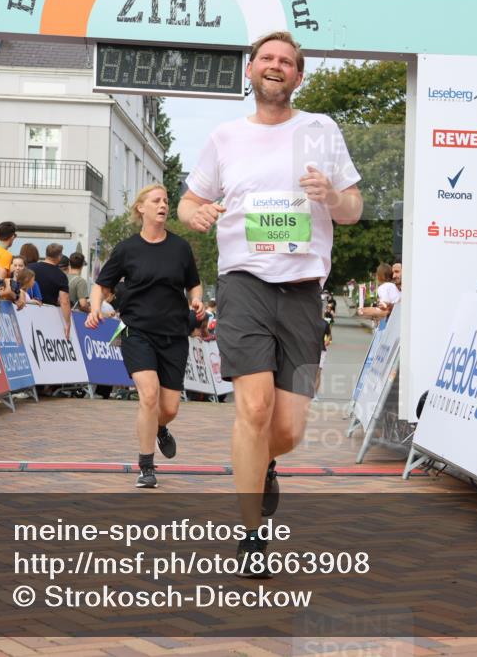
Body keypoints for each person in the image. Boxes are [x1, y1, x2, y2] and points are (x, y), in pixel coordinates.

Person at [179, 30, 363, 574]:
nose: (276, 66)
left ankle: (262, 466)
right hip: (244, 283)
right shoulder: (224, 137)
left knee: (288, 430)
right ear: (251, 71)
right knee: (253, 409)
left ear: (298, 76)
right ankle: (251, 535)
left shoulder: (321, 130)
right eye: (267, 59)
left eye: (287, 61)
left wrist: (331, 196)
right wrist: (195, 214)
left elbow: (352, 206)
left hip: (305, 289)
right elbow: (192, 200)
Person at [86, 183, 203, 489]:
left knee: (169, 408)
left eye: (166, 200)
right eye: (156, 200)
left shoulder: (180, 248)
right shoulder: (127, 249)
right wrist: (94, 308)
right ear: (141, 208)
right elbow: (102, 284)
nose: (163, 205)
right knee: (148, 395)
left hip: (175, 334)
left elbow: (194, 283)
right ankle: (146, 467)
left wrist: (197, 299)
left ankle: (161, 427)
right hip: (137, 332)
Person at [28, 243, 72, 339]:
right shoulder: (61, 275)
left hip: (27, 311)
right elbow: (64, 300)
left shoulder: (30, 267)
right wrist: (67, 323)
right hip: (48, 317)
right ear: (59, 256)